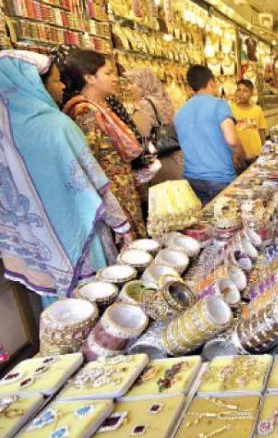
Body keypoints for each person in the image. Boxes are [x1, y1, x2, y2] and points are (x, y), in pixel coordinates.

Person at [0, 50, 132, 297]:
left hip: (43, 243)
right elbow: (93, 183)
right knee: (100, 299)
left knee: (64, 312)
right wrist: (123, 226)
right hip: (82, 234)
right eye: (56, 80)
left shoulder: (6, 135)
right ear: (34, 85)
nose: (62, 86)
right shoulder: (56, 126)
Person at [61, 50, 147, 238]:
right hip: (113, 199)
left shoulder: (102, 107)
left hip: (123, 191)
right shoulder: (86, 113)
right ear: (89, 78)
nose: (114, 78)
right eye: (108, 73)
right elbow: (89, 163)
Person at [174, 65, 246, 204]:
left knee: (204, 222)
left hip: (192, 179)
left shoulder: (180, 111)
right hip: (220, 178)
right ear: (212, 82)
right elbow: (232, 140)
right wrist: (243, 155)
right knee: (226, 222)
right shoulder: (219, 104)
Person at [125, 68, 183, 185]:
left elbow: (140, 136)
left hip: (160, 166)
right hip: (176, 160)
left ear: (144, 83)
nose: (128, 88)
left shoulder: (145, 105)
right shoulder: (163, 100)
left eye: (132, 83)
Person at [230, 78, 267, 161]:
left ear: (251, 93)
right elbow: (229, 135)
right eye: (239, 90)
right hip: (240, 156)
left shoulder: (257, 109)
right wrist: (233, 154)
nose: (241, 93)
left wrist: (264, 151)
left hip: (256, 153)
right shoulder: (230, 110)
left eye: (245, 91)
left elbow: (261, 131)